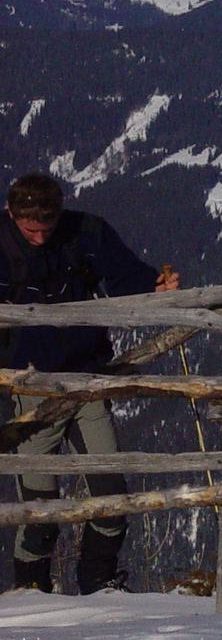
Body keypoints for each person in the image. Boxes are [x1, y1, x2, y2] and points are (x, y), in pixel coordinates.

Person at [2, 172, 180, 594]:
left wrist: (156, 286)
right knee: (40, 508)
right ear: (11, 213)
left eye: (46, 228)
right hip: (27, 387)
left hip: (87, 378)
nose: (40, 237)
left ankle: (99, 582)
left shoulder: (86, 232)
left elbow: (128, 275)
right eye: (30, 229)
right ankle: (30, 591)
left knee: (111, 494)